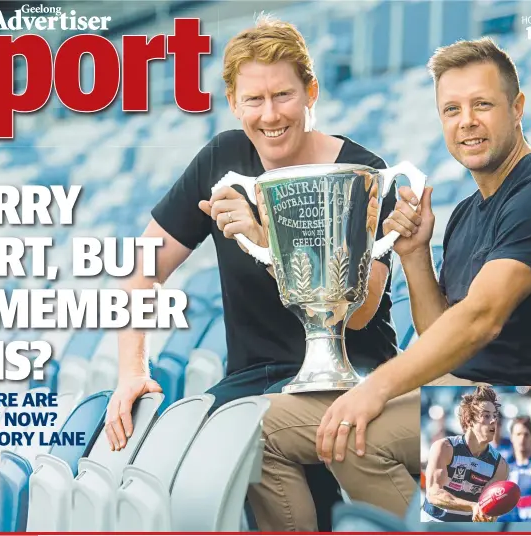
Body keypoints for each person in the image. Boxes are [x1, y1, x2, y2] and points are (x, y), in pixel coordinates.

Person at [247, 37, 531, 530]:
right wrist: (414, 255)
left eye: (482, 104)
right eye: (451, 109)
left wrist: (375, 391)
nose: (467, 121)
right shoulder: (466, 213)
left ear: (518, 108)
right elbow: (446, 339)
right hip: (469, 394)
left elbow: (480, 320)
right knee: (256, 425)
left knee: (356, 436)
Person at [104, 14, 399, 530]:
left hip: (351, 374)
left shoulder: (362, 172)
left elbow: (360, 313)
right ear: (233, 102)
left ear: (311, 92)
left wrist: (269, 239)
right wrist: (132, 371)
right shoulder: (222, 157)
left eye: (283, 95)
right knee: (159, 454)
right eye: (254, 100)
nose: (270, 115)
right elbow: (141, 271)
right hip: (252, 379)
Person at [422, 387, 509, 522]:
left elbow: (488, 509)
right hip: (434, 522)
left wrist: (489, 514)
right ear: (469, 420)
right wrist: (472, 506)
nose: (493, 421)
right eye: (486, 416)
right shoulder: (445, 448)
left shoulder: (500, 465)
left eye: (494, 416)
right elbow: (433, 494)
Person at [498, 416, 531, 522]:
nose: (522, 439)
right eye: (518, 434)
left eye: (526, 435)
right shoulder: (502, 467)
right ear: (512, 437)